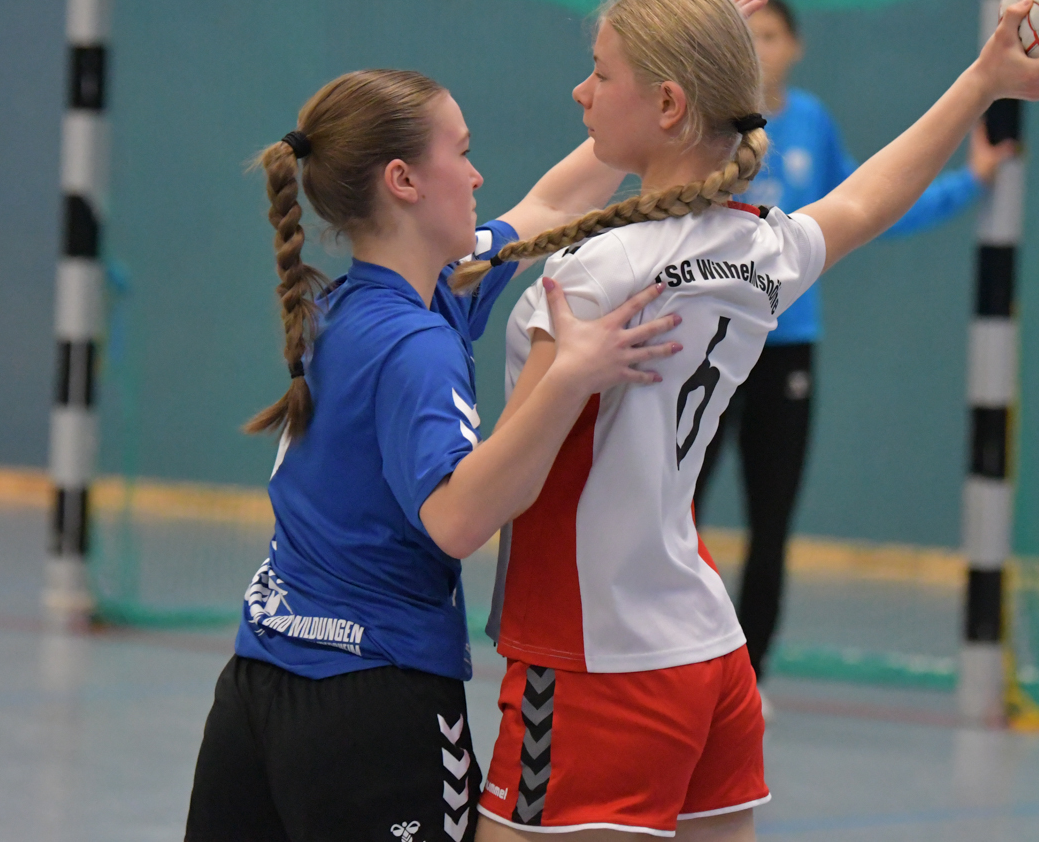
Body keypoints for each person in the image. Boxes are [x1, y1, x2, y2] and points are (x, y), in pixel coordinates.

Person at [460, 0, 1039, 840]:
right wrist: (981, 81)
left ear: (669, 103)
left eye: (601, 73)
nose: (582, 91)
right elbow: (867, 200)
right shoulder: (761, 246)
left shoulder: (589, 276)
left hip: (595, 658)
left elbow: (498, 490)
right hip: (711, 655)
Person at [183, 68, 686, 842]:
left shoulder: (362, 301)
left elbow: (553, 205)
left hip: (257, 685)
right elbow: (455, 519)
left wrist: (653, 91)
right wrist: (569, 377)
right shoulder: (415, 344)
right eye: (463, 151)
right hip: (373, 703)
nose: (479, 175)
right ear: (404, 180)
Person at [691, 0, 1019, 700]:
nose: (761, 47)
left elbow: (872, 200)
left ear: (795, 47)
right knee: (676, 507)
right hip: (709, 342)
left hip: (786, 351)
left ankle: (748, 680)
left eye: (772, 35)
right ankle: (675, 663)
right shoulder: (710, 125)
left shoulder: (811, 122)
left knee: (772, 523)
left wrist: (970, 182)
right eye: (748, 35)